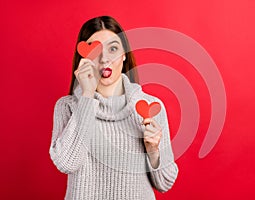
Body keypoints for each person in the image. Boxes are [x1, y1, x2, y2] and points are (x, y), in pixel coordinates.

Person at [49, 15, 178, 200]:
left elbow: (165, 183)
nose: (104, 59)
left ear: (124, 54)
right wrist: (87, 95)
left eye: (113, 49)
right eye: (94, 50)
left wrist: (153, 150)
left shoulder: (149, 107)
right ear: (83, 58)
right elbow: (67, 163)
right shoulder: (67, 107)